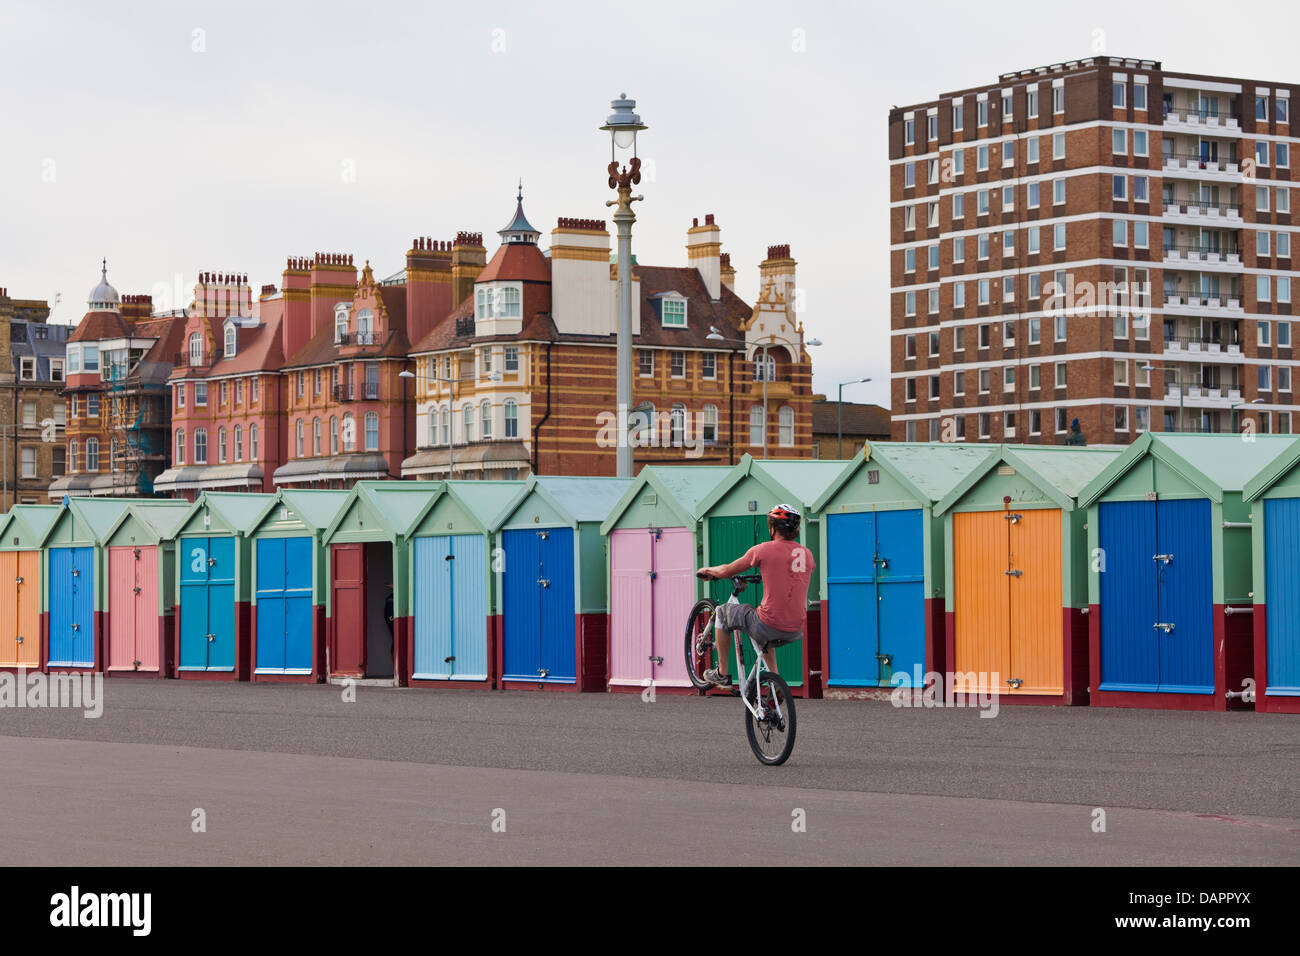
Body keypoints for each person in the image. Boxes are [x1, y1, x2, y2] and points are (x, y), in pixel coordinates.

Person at [696, 504, 815, 689]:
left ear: (772, 528)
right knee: (764, 629)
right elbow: (787, 575)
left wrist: (709, 571)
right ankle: (776, 680)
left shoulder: (763, 550)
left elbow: (727, 570)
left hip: (767, 624)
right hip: (796, 628)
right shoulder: (806, 555)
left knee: (721, 612)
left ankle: (722, 673)